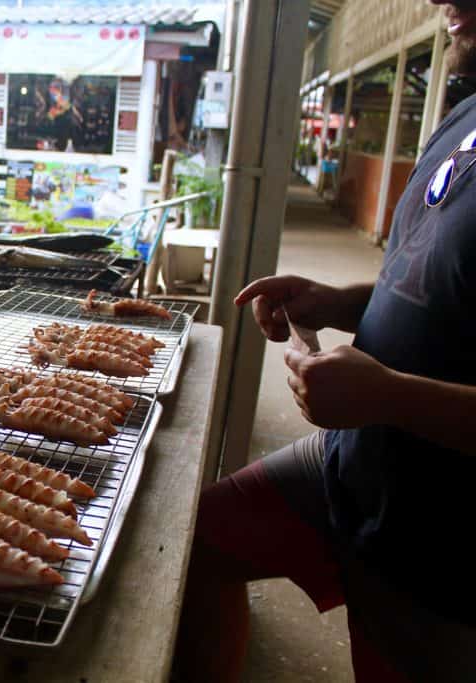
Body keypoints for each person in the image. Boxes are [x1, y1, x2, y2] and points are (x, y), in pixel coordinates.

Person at [176, 1, 476, 681]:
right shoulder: (464, 119)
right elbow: (434, 284)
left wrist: (390, 396)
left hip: (444, 546)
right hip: (352, 465)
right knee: (192, 542)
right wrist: (339, 303)